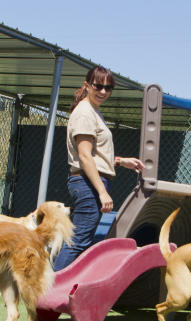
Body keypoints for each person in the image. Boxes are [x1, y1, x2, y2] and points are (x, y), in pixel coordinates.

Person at [53, 66, 145, 272]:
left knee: (80, 242)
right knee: (77, 243)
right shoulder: (85, 113)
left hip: (90, 183)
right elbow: (84, 156)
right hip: (88, 185)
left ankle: (57, 293)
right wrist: (102, 192)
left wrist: (120, 161)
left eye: (108, 87)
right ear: (87, 85)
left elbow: (94, 155)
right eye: (98, 86)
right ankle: (49, 296)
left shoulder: (93, 110)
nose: (103, 91)